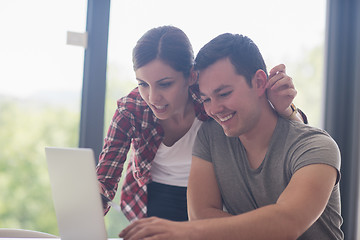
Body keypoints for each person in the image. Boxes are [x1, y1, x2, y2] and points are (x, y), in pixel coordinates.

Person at [118, 33, 343, 240]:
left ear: (259, 82)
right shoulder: (210, 136)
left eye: (224, 94)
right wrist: (264, 227)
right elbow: (201, 216)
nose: (214, 109)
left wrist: (181, 230)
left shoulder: (315, 147)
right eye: (206, 99)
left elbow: (287, 223)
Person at [96, 26, 305, 224]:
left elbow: (286, 131)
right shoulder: (131, 110)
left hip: (214, 202)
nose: (152, 98)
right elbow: (104, 180)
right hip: (150, 201)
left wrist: (285, 109)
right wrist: (87, 201)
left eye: (165, 84)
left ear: (191, 76)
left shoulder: (211, 97)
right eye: (142, 84)